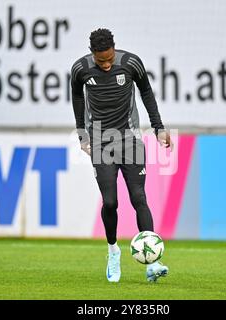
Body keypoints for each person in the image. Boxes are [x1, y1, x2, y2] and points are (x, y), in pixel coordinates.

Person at [70, 28, 172, 283]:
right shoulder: (80, 69)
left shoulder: (131, 63)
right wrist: (82, 133)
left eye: (109, 59)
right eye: (100, 60)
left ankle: (153, 262)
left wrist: (159, 127)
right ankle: (113, 250)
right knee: (110, 202)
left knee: (139, 197)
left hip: (131, 140)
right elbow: (76, 98)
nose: (106, 65)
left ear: (114, 49)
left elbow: (147, 92)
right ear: (92, 54)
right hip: (101, 143)